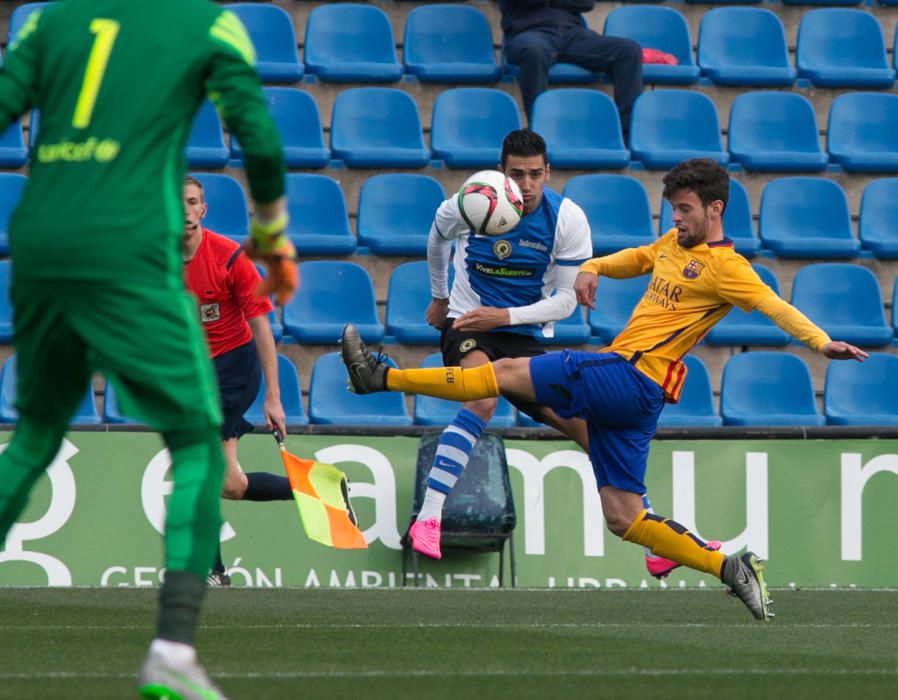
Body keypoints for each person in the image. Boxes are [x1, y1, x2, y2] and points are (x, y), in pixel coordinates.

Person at [341, 158, 869, 621]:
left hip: (626, 374)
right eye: (672, 209)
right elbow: (637, 257)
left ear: (715, 208)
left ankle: (380, 377)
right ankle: (729, 566)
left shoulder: (727, 268)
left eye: (684, 209)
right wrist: (591, 267)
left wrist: (821, 343)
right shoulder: (672, 242)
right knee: (624, 518)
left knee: (501, 376)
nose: (675, 219)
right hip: (640, 400)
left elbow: (775, 305)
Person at [0, 2, 296, 699]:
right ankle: (172, 647)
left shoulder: (48, 22)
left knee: (34, 436)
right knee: (198, 449)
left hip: (40, 241)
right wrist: (275, 235)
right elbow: (255, 131)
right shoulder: (206, 23)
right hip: (131, 245)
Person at [410, 129, 592, 560]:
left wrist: (505, 317)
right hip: (468, 323)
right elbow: (437, 238)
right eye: (516, 174)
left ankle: (646, 517)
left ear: (547, 173)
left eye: (534, 175)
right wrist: (439, 296)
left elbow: (566, 301)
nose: (526, 186)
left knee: (586, 426)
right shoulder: (470, 202)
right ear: (500, 171)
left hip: (523, 334)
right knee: (482, 395)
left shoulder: (567, 218)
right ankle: (429, 518)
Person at [182, 177, 295, 588]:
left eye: (192, 202)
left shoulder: (228, 257)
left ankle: (211, 571)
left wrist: (274, 398)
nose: (183, 210)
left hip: (234, 370)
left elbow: (262, 328)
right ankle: (316, 490)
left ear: (202, 210)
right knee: (229, 484)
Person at [499, 0, 643, 141]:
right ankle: (538, 132)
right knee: (533, 51)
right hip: (529, 33)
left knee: (629, 51)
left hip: (572, 34)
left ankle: (625, 137)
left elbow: (586, 4)